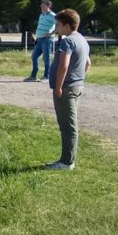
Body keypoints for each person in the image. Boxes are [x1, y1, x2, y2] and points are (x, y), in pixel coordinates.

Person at [48, 9, 91, 170]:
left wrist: (58, 87)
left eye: (58, 24)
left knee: (68, 126)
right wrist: (79, 78)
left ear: (67, 26)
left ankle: (67, 162)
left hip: (67, 89)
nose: (56, 27)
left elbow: (63, 65)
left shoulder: (67, 41)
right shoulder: (82, 40)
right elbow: (87, 63)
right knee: (69, 124)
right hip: (77, 86)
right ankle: (66, 159)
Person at [25, 0, 57, 82]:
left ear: (48, 6)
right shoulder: (42, 15)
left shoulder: (53, 15)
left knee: (47, 58)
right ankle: (33, 76)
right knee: (34, 56)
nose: (41, 6)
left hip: (47, 39)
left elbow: (58, 25)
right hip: (39, 39)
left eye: (43, 5)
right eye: (41, 5)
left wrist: (51, 33)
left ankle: (47, 76)